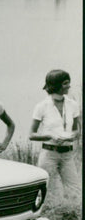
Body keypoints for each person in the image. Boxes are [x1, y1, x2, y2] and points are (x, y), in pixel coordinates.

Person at [29, 69, 81, 199]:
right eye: (65, 83)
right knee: (52, 193)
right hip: (49, 154)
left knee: (75, 192)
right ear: (56, 85)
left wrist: (72, 136)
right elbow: (31, 134)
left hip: (68, 154)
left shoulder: (73, 105)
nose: (69, 86)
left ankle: (72, 217)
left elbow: (76, 130)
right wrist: (51, 136)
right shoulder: (42, 106)